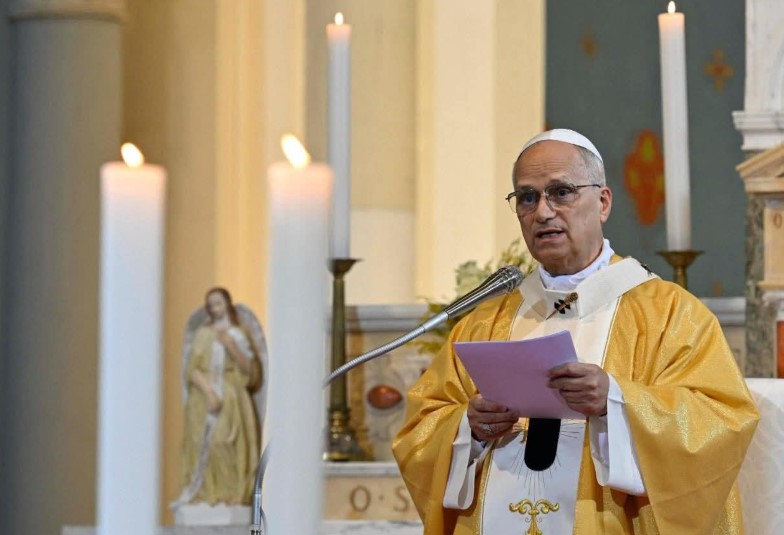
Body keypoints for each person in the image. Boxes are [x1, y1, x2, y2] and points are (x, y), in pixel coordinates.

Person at [392, 129, 759, 534]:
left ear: (602, 202)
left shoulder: (669, 315)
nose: (542, 212)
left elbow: (722, 421)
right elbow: (420, 432)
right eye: (527, 197)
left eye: (561, 192)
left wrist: (616, 402)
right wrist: (470, 428)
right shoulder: (484, 323)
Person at [172, 287, 266, 509]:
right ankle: (206, 494)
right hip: (204, 399)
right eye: (211, 305)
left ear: (228, 305)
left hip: (232, 396)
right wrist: (209, 391)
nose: (215, 308)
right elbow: (191, 370)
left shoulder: (238, 334)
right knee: (203, 443)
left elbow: (251, 373)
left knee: (224, 442)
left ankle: (231, 493)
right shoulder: (203, 335)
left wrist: (231, 346)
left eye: (219, 303)